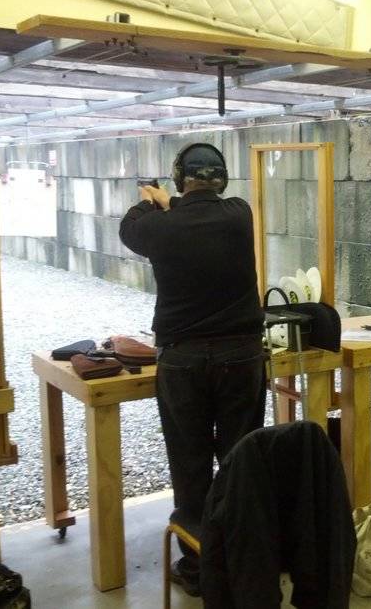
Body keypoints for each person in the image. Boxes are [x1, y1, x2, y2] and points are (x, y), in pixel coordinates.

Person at [119, 142, 265, 596]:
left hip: (182, 359)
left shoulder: (158, 227)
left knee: (191, 462)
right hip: (242, 355)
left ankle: (201, 568)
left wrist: (154, 198)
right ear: (222, 179)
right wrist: (175, 200)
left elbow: (131, 225)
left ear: (181, 178)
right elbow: (200, 211)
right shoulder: (240, 214)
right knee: (241, 458)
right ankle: (242, 562)